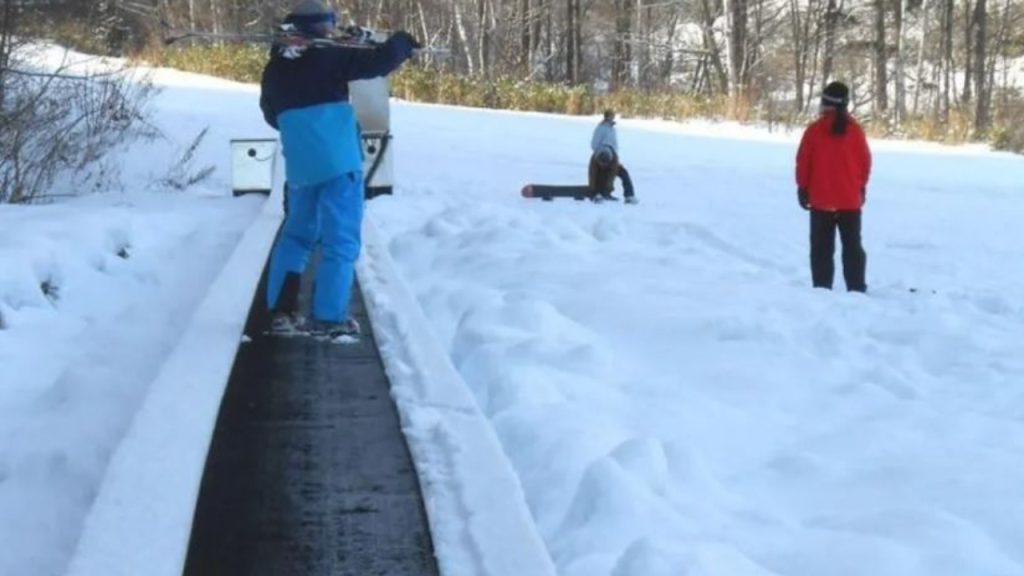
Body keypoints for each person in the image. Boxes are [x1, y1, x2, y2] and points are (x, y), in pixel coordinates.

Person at [260, 0, 420, 338]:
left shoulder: (274, 68)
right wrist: (402, 42)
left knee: (297, 236)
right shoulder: (330, 55)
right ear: (320, 25)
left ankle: (281, 312)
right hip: (339, 165)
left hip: (301, 168)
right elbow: (379, 62)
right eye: (330, 23)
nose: (333, 29)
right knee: (340, 241)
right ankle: (328, 318)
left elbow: (272, 116)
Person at [795, 81, 872, 292]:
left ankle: (822, 288)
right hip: (850, 200)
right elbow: (865, 163)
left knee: (821, 248)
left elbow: (803, 162)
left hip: (821, 201)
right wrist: (860, 187)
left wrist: (802, 188)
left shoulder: (814, 131)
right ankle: (856, 288)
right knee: (852, 246)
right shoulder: (856, 131)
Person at [589, 109, 637, 204]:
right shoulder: (600, 128)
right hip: (602, 154)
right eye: (610, 116)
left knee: (623, 173)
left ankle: (629, 196)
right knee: (601, 173)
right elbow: (594, 143)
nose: (612, 117)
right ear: (606, 116)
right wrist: (600, 153)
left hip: (612, 156)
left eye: (612, 116)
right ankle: (599, 194)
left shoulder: (612, 129)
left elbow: (614, 145)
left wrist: (615, 156)